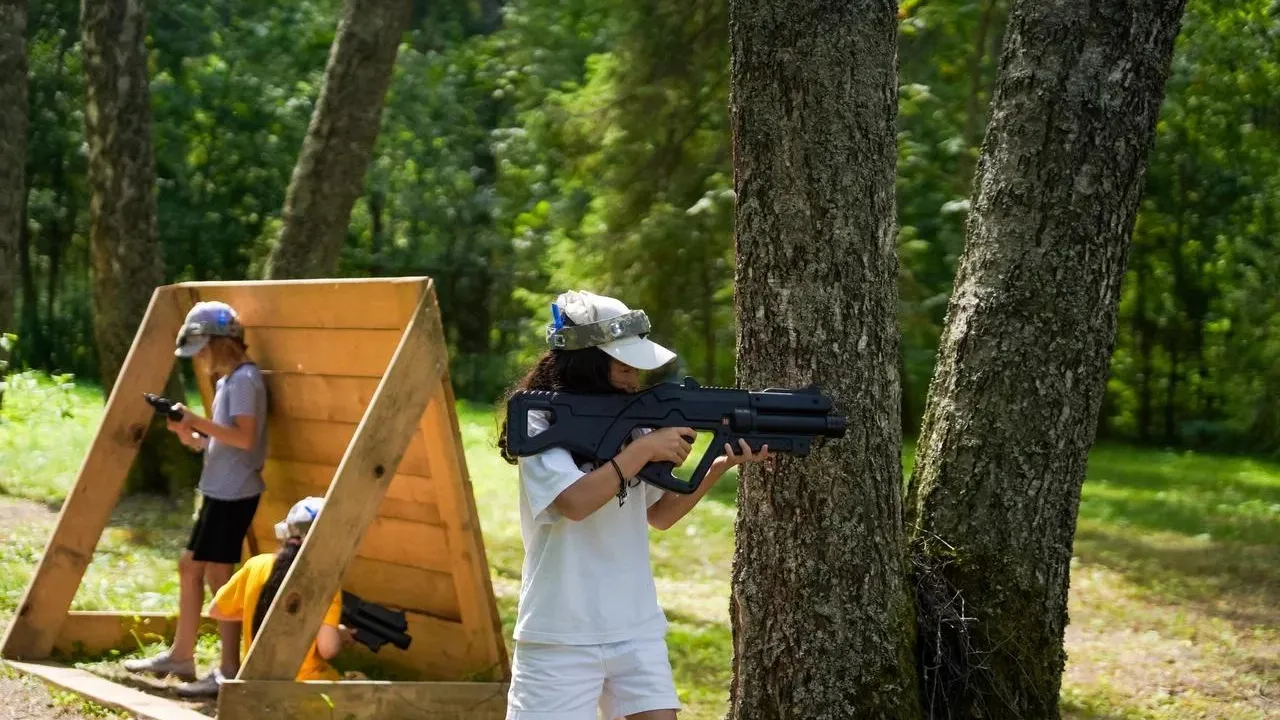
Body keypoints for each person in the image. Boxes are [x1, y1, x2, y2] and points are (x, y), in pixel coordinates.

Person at [497, 290, 772, 720]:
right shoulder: (542, 422)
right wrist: (642, 451)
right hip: (560, 634)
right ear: (587, 363)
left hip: (635, 628)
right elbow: (574, 502)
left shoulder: (637, 423)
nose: (633, 379)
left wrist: (718, 465)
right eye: (624, 366)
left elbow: (658, 516)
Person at [123, 301, 268, 697]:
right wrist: (190, 436)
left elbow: (244, 438)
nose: (200, 359)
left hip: (235, 491)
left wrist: (195, 419)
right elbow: (222, 441)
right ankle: (182, 656)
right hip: (219, 488)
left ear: (224, 343)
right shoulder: (227, 384)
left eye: (203, 349)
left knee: (220, 576)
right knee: (190, 567)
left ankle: (227, 669)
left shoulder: (244, 381)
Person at [207, 496, 351, 681]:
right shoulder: (324, 581)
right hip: (306, 690)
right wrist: (338, 633)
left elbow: (217, 610)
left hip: (254, 683)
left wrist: (263, 612)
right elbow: (328, 649)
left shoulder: (256, 565)